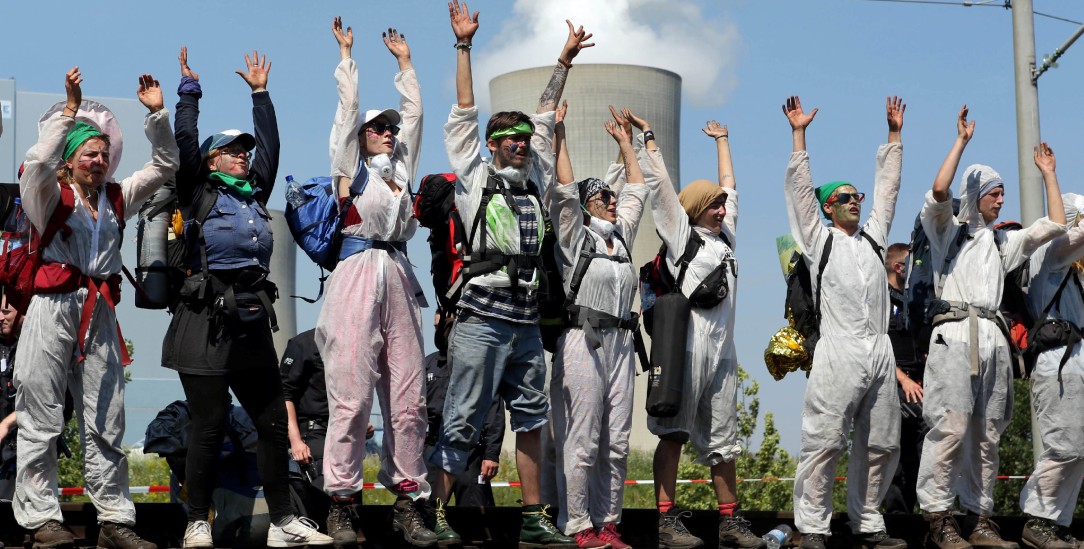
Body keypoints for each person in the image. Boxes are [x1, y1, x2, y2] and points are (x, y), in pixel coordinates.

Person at [429, 3, 591, 547]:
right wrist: (464, 46)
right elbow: (465, 110)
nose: (521, 142)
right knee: (463, 417)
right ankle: (436, 512)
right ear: (494, 145)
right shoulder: (475, 176)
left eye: (524, 138)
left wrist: (563, 61)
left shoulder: (535, 177)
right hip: (481, 315)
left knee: (531, 417)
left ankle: (532, 517)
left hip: (525, 321)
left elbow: (545, 116)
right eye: (511, 138)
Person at [161, 48, 332, 549]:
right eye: (233, 149)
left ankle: (283, 522)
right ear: (213, 159)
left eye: (244, 149)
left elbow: (271, 148)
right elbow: (185, 143)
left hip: (251, 318)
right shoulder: (197, 189)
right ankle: (197, 520)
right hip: (204, 318)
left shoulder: (254, 192)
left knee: (273, 422)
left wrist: (261, 94)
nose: (243, 154)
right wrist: (189, 92)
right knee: (209, 426)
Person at [15, 67, 177, 549]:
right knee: (40, 415)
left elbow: (166, 164)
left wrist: (157, 114)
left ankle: (114, 520)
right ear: (70, 161)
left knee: (107, 416)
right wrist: (69, 112)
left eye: (105, 153)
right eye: (91, 153)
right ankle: (42, 518)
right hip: (51, 307)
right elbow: (36, 160)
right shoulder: (47, 195)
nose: (100, 160)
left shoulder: (116, 197)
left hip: (99, 310)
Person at [916, 107, 1066, 549]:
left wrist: (1048, 174)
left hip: (994, 340)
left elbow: (1054, 225)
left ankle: (981, 517)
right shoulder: (950, 232)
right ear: (976, 195)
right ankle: (938, 516)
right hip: (955, 334)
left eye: (1002, 193)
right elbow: (940, 189)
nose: (1001, 201)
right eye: (994, 194)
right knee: (951, 426)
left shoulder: (1003, 241)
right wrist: (961, 141)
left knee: (988, 434)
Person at [315, 16, 435, 548]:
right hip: (356, 273)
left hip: (399, 273)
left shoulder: (400, 171)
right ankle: (342, 503)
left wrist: (406, 66)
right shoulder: (350, 167)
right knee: (352, 395)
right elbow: (346, 116)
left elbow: (415, 117)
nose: (387, 133)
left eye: (389, 129)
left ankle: (408, 501)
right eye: (377, 128)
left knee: (409, 398)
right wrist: (348, 58)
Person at [782, 96, 908, 549]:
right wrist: (800, 135)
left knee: (881, 443)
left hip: (879, 351)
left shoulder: (874, 240)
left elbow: (888, 192)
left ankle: (868, 523)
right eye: (845, 198)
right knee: (825, 440)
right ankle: (813, 526)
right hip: (838, 352)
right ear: (829, 208)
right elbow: (800, 196)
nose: (856, 202)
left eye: (857, 196)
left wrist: (893, 136)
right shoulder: (820, 243)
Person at [644, 115, 762, 549]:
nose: (721, 208)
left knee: (724, 442)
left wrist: (724, 140)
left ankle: (729, 522)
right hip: (688, 348)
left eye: (722, 204)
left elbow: (731, 186)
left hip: (724, 353)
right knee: (673, 433)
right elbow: (660, 188)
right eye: (713, 205)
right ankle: (665, 521)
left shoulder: (725, 240)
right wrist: (649, 141)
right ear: (696, 209)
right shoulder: (682, 236)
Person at [548, 104, 649, 549]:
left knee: (618, 439)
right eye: (602, 198)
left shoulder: (620, 236)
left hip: (623, 342)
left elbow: (639, 189)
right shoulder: (577, 235)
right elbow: (566, 191)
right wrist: (561, 135)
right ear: (587, 207)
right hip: (582, 341)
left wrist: (627, 144)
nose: (611, 201)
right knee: (583, 436)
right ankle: (579, 525)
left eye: (611, 197)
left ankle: (610, 524)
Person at [1017, 155, 1084, 549]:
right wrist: (1051, 177)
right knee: (1066, 445)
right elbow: (1071, 233)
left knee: (1079, 449)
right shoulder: (1052, 254)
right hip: (1058, 365)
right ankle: (1038, 520)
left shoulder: (1070, 271)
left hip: (1073, 364)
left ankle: (1056, 522)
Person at [280, 328, 376, 544]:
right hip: (313, 434)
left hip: (347, 434)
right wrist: (295, 441)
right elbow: (284, 394)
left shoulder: (356, 344)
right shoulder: (303, 343)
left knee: (350, 518)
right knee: (323, 509)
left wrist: (363, 423)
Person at [423, 344, 505, 508]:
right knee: (427, 509)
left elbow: (493, 411)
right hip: (432, 448)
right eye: (437, 325)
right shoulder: (427, 364)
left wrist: (491, 455)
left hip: (470, 452)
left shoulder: (480, 365)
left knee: (474, 512)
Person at [882, 243, 928, 515]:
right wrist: (903, 380)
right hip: (894, 384)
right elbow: (878, 349)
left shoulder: (915, 302)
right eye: (914, 265)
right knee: (896, 458)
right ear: (899, 267)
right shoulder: (881, 301)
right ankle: (897, 518)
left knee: (920, 454)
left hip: (920, 384)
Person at [0, 294, 21, 501]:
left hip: (19, 449)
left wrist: (6, 424)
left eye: (6, 311)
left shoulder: (31, 348)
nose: (0, 317)